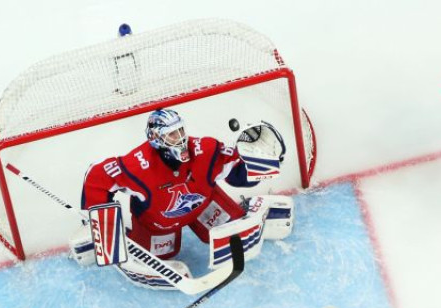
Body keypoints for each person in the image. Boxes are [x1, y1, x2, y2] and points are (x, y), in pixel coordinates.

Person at [72, 109, 295, 288]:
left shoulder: (205, 150)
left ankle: (249, 209)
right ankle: (100, 240)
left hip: (204, 206)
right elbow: (96, 177)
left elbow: (236, 173)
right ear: (156, 138)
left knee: (232, 233)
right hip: (159, 223)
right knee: (160, 257)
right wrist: (102, 226)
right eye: (172, 134)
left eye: (180, 131)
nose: (180, 139)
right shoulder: (137, 166)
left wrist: (265, 163)